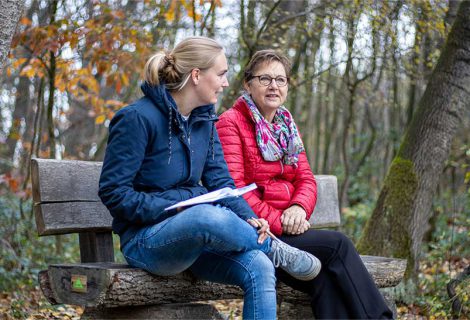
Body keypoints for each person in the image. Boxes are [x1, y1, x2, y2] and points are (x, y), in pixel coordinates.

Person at [98, 37, 321, 320]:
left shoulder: (204, 121)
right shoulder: (136, 119)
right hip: (146, 242)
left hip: (197, 244)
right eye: (221, 74)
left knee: (260, 267)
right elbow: (114, 194)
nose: (226, 83)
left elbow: (222, 183)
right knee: (205, 214)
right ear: (196, 76)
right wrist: (180, 203)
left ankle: (267, 249)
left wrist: (250, 217)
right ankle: (273, 247)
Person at [216, 49, 394, 319]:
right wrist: (280, 220)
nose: (274, 86)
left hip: (292, 230)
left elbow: (306, 178)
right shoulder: (231, 123)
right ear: (247, 83)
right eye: (264, 79)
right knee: (338, 245)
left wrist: (299, 207)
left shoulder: (287, 125)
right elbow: (235, 190)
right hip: (259, 234)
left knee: (323, 278)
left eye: (281, 79)